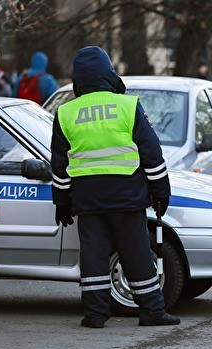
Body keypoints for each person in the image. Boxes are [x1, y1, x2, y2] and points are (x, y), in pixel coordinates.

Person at [50, 46, 180, 328]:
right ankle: (152, 311)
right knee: (136, 253)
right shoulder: (128, 106)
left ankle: (96, 314)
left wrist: (61, 201)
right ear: (109, 73)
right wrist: (161, 192)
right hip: (127, 196)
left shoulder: (65, 113)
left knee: (93, 254)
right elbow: (152, 154)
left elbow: (59, 165)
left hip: (87, 198)